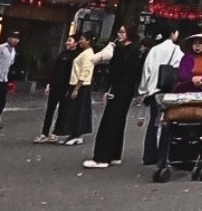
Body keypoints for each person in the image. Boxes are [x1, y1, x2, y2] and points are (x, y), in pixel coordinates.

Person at [82, 25, 145, 168]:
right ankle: (115, 154)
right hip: (126, 88)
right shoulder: (135, 49)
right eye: (119, 31)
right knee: (118, 120)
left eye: (122, 32)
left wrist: (109, 87)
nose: (119, 34)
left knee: (109, 121)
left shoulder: (126, 50)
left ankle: (102, 157)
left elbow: (116, 70)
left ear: (129, 33)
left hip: (120, 86)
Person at [138, 23, 182, 166]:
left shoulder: (154, 50)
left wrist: (143, 90)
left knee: (154, 121)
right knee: (167, 122)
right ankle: (163, 154)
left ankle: (149, 155)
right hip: (169, 91)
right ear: (173, 33)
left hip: (154, 90)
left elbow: (147, 70)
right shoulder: (177, 51)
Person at [58, 32, 100, 146]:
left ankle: (77, 134)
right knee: (75, 110)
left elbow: (85, 71)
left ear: (88, 41)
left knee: (77, 110)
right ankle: (74, 134)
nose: (80, 41)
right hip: (77, 84)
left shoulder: (88, 54)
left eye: (82, 39)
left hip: (81, 85)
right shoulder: (85, 52)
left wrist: (77, 88)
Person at [35, 36, 78, 143]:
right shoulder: (62, 54)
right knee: (50, 109)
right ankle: (44, 133)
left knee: (62, 111)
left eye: (70, 41)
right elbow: (55, 70)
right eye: (67, 40)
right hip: (55, 86)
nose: (67, 43)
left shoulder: (77, 56)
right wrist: (49, 84)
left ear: (76, 43)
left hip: (66, 87)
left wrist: (72, 88)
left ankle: (56, 133)